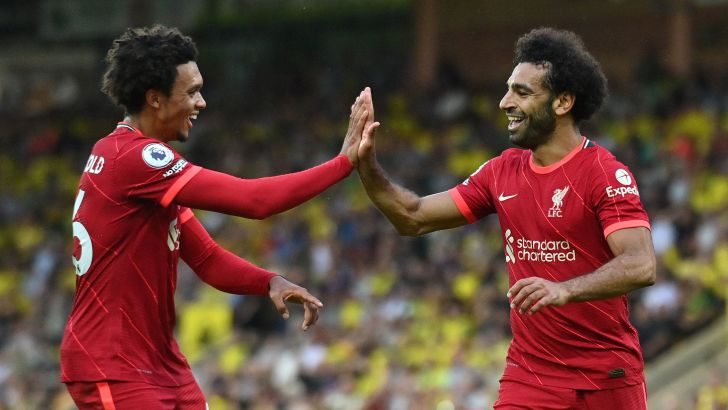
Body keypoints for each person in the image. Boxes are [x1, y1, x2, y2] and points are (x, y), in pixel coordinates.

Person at [61, 25, 371, 409]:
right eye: (191, 92)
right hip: (111, 362)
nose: (202, 102)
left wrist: (268, 281)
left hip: (160, 362)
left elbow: (207, 259)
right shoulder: (135, 158)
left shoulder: (137, 164)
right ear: (155, 99)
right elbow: (254, 201)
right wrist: (343, 164)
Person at [357, 28, 657, 409]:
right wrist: (366, 165)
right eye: (508, 89)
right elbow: (412, 217)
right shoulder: (502, 171)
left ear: (563, 102)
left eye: (522, 92)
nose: (504, 103)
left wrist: (565, 289)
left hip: (607, 377)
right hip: (531, 376)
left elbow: (641, 264)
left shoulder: (603, 173)